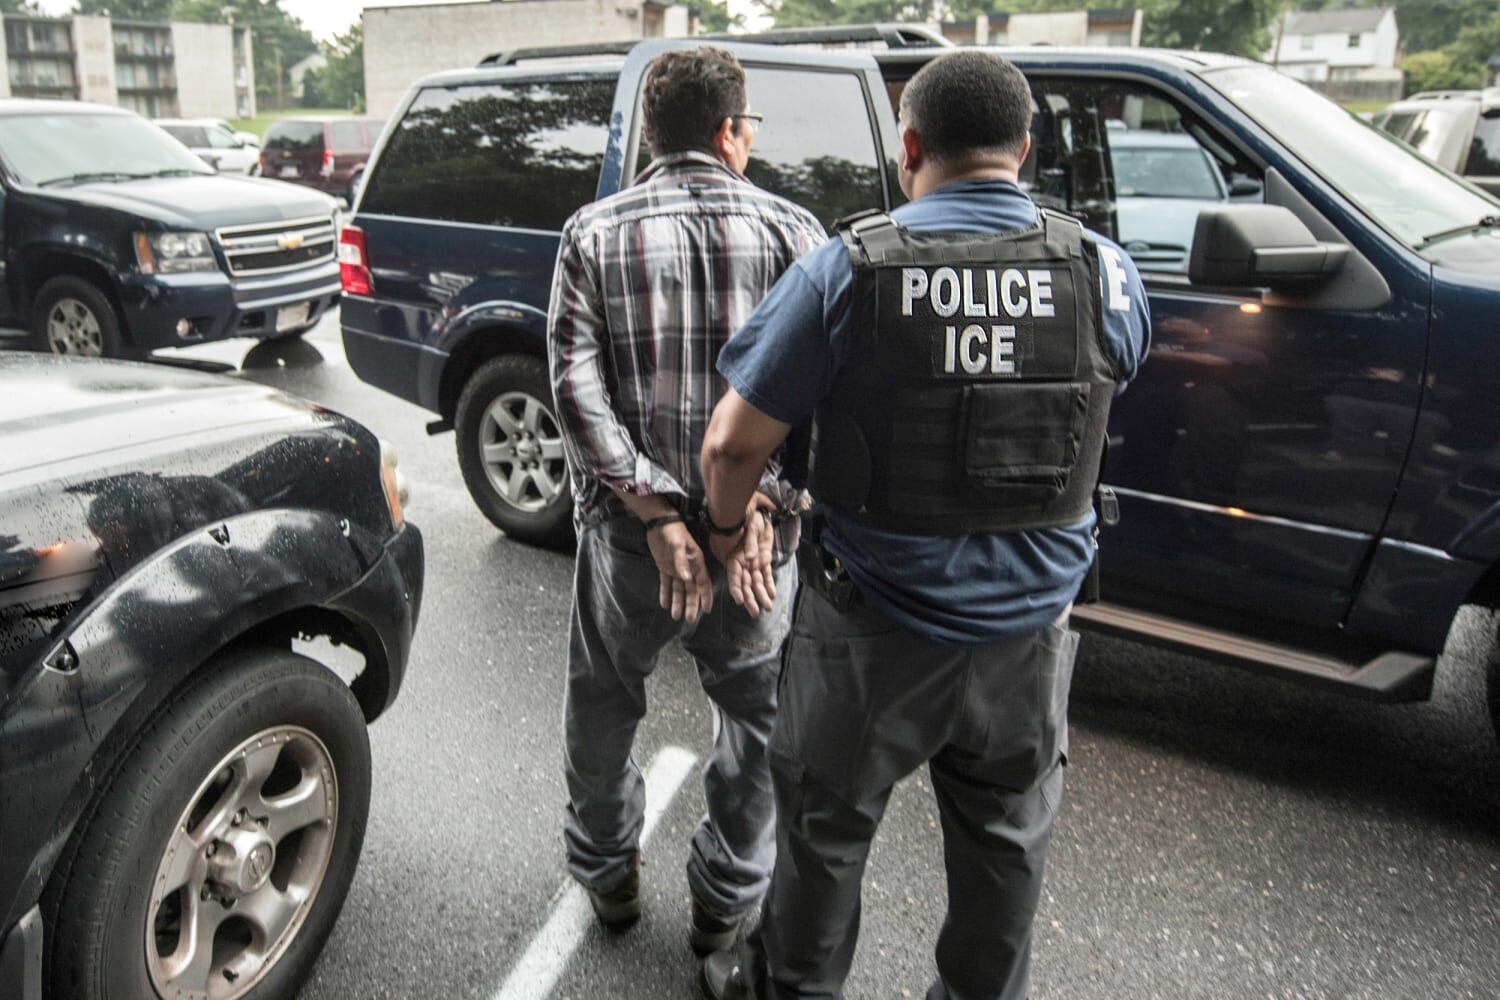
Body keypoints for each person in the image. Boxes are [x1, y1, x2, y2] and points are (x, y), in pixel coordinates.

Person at [696, 50, 1151, 1000]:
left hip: (869, 638)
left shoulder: (848, 272)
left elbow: (732, 447)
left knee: (821, 845)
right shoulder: (1101, 271)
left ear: (909, 146)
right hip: (1028, 647)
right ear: (1024, 150)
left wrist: (732, 530)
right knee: (1004, 864)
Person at [546, 46, 825, 957]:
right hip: (755, 549)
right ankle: (723, 902)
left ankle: (609, 879)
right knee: (755, 721)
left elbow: (574, 393)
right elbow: (823, 410)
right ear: (728, 132)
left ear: (654, 137)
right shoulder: (798, 234)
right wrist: (756, 508)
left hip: (634, 549)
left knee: (603, 701)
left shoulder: (592, 231)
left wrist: (657, 513)